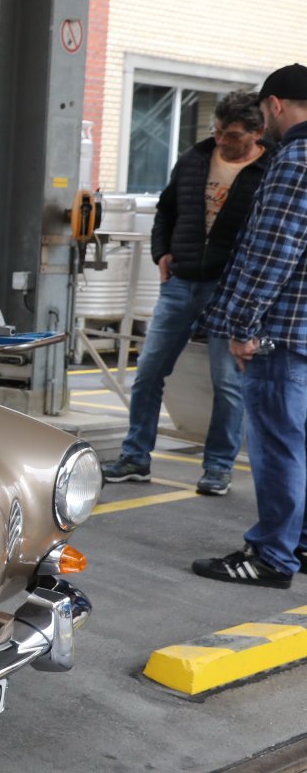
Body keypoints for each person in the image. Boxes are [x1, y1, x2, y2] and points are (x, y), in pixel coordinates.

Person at [101, 90, 270, 495]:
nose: (221, 141)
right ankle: (135, 457)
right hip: (180, 283)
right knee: (148, 372)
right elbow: (166, 209)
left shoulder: (271, 169)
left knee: (227, 383)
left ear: (257, 132)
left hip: (230, 290)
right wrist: (161, 252)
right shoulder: (196, 158)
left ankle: (218, 467)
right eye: (217, 131)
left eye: (232, 135)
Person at [194, 64, 307, 587]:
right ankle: (298, 543)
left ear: (275, 104)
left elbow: (272, 252)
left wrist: (243, 325)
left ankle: (270, 557)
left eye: (264, 110)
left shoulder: (296, 160)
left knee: (279, 445)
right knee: (300, 444)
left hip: (281, 332)